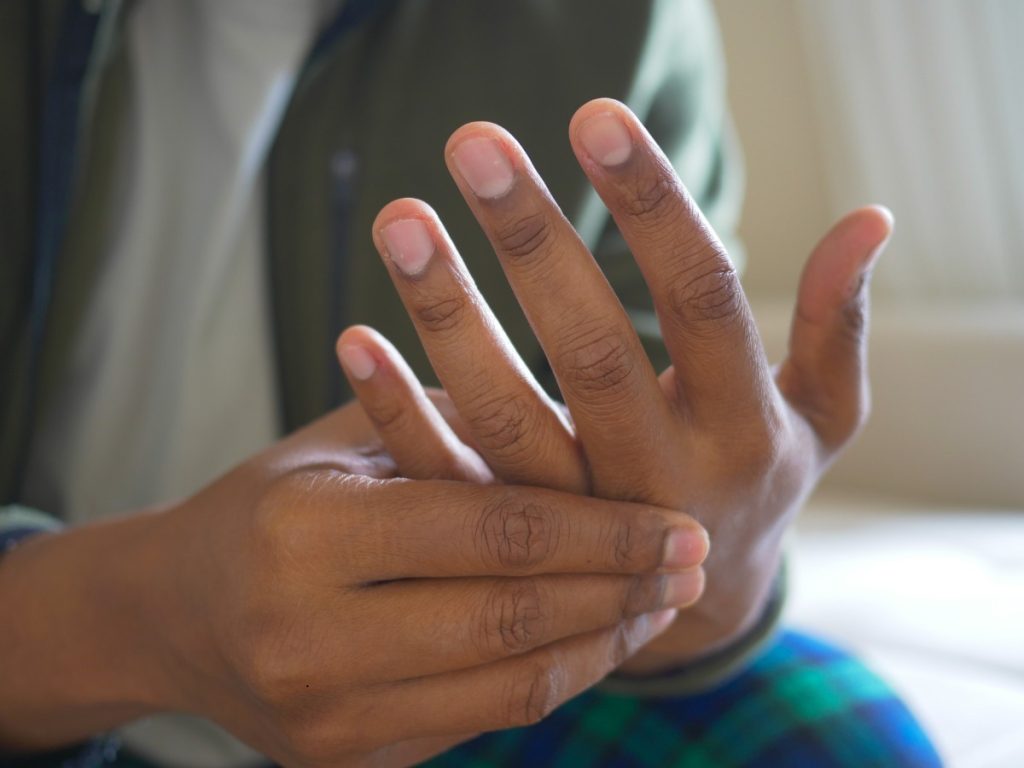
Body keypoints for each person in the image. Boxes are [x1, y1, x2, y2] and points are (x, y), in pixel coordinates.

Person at [0, 1, 942, 766]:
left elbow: (653, 457)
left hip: (438, 677)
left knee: (838, 746)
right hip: (35, 665)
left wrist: (699, 574)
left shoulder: (634, 18)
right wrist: (148, 619)